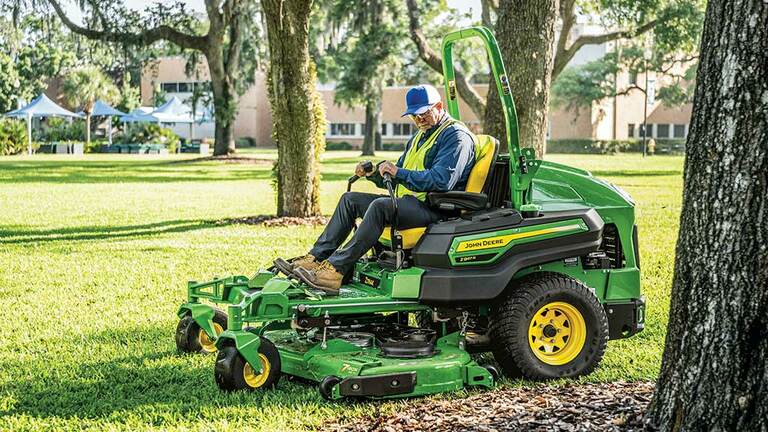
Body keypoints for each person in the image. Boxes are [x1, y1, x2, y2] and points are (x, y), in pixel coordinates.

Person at [277, 84, 476, 293]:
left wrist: (398, 172)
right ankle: (316, 258)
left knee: (381, 206)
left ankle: (335, 270)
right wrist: (373, 174)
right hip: (410, 204)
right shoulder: (420, 136)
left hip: (436, 209)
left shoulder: (455, 136)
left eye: (423, 114)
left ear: (439, 106)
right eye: (413, 116)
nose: (419, 120)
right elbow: (397, 176)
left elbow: (442, 180)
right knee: (350, 199)